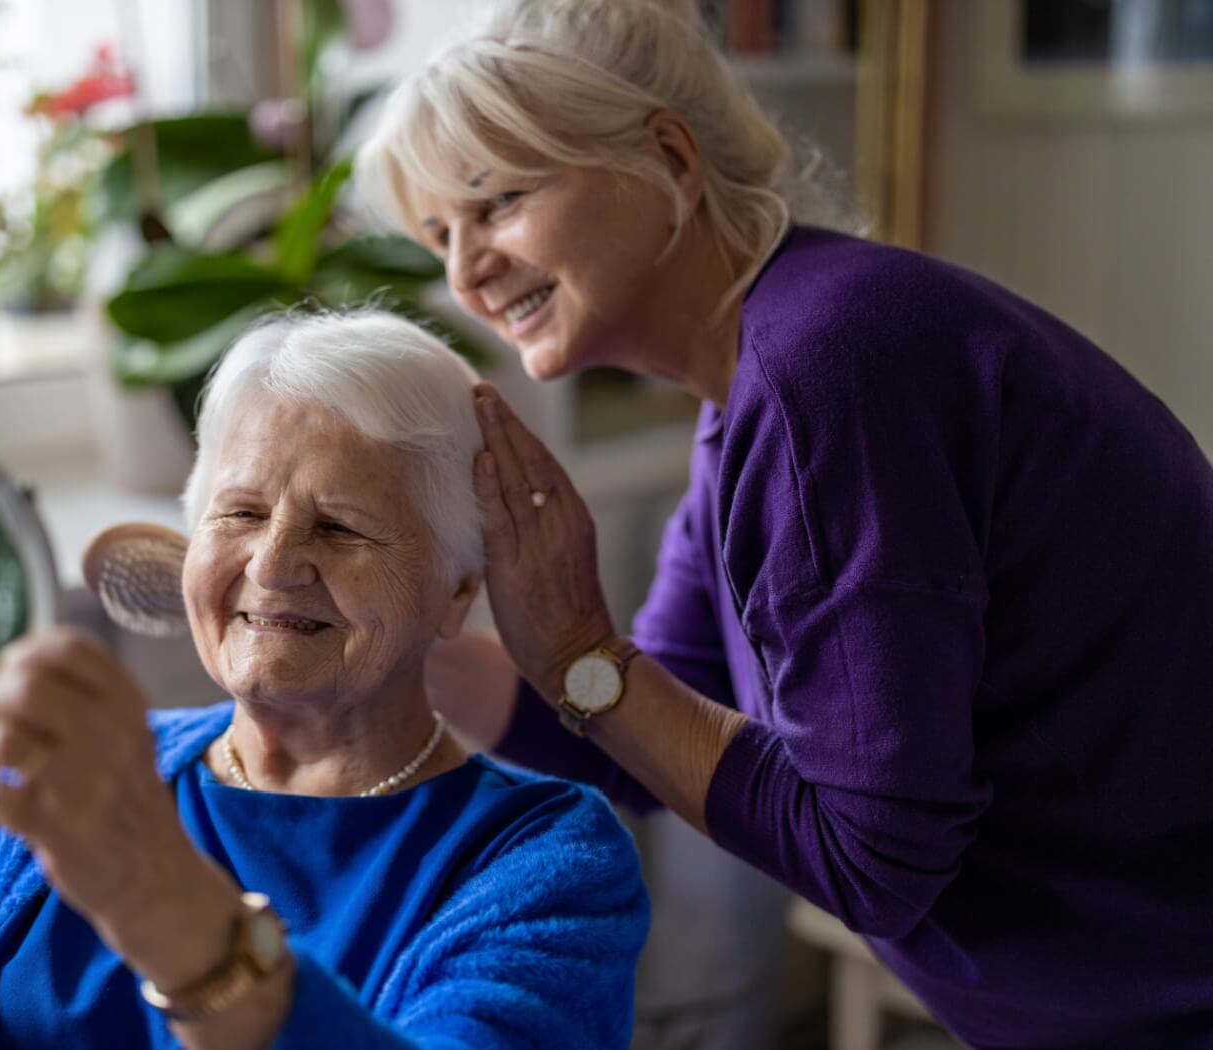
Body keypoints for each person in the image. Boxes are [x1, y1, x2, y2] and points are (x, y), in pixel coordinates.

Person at [357, 1, 1213, 1047]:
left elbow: (872, 859)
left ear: (667, 157)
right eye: (441, 234)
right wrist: (398, 642)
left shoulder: (830, 372)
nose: (464, 271)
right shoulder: (754, 394)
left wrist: (578, 647)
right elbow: (635, 742)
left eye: (497, 201)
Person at [0, 310, 649, 1050]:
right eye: (238, 513)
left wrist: (161, 903)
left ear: (456, 592)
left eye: (341, 527)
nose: (272, 566)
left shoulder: (542, 863)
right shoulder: (89, 776)